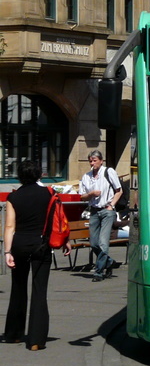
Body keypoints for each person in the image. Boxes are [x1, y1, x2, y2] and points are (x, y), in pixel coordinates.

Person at [4, 160, 70, 350]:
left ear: (20, 176)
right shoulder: (49, 194)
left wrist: (8, 252)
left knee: (18, 288)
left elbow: (10, 226)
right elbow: (57, 221)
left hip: (19, 245)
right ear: (39, 175)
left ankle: (13, 334)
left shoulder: (14, 197)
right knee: (39, 291)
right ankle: (36, 340)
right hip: (41, 244)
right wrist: (65, 240)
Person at [80, 150, 123, 282]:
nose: (92, 163)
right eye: (90, 161)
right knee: (93, 243)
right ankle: (108, 262)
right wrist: (91, 194)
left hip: (107, 210)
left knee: (103, 242)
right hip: (94, 210)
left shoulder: (108, 172)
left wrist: (112, 205)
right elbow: (82, 196)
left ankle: (98, 272)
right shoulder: (86, 177)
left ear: (101, 161)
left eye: (95, 160)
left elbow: (119, 190)